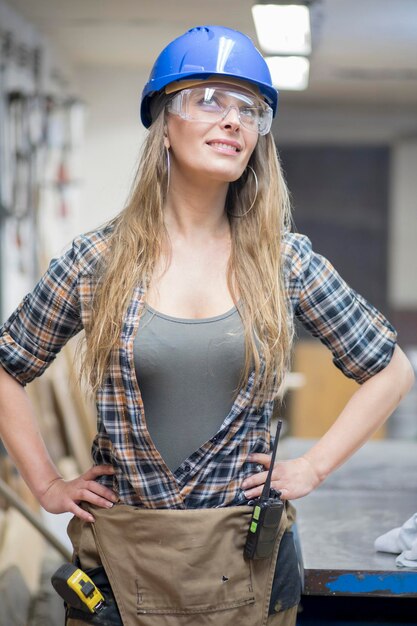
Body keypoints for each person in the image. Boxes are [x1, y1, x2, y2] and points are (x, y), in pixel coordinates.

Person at [0, 25, 414, 626]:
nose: (233, 120)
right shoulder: (97, 260)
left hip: (246, 562)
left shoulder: (284, 260)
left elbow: (391, 370)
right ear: (164, 122)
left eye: (249, 109)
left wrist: (311, 467)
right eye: (209, 99)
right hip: (122, 563)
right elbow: (7, 369)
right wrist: (44, 484)